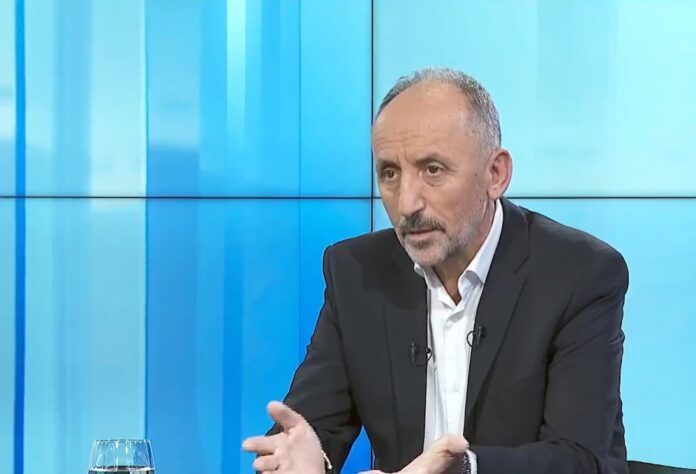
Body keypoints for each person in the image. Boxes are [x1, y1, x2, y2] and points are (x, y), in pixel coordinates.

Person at [243, 68, 629, 474]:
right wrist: (304, 461)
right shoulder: (357, 274)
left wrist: (463, 468)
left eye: (432, 170)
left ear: (495, 174)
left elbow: (580, 459)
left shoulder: (579, 274)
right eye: (389, 173)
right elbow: (308, 432)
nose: (407, 204)